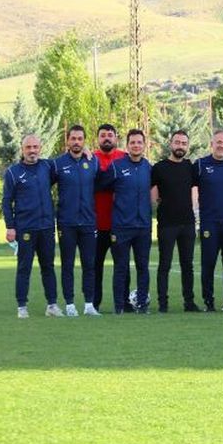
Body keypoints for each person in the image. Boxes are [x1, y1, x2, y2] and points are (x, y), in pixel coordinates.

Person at [97, 129, 153, 314]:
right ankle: (119, 306)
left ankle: (142, 304)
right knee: (121, 268)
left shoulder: (148, 167)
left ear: (144, 145)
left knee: (142, 267)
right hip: (121, 227)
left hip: (143, 226)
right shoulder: (116, 166)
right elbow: (98, 183)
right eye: (133, 142)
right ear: (127, 146)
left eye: (139, 142)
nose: (136, 145)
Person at [3, 135, 60, 319]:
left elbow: (68, 161)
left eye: (35, 147)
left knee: (48, 267)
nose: (32, 150)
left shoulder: (46, 167)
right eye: (28, 147)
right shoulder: (13, 172)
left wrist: (85, 150)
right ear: (22, 149)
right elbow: (6, 201)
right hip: (25, 228)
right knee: (24, 268)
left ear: (40, 148)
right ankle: (22, 307)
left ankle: (52, 305)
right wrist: (10, 227)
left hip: (46, 228)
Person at [52, 126, 100, 316]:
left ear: (84, 141)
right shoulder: (57, 164)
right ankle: (70, 304)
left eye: (80, 139)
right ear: (68, 141)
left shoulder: (92, 161)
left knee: (89, 264)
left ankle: (89, 305)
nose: (76, 142)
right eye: (73, 138)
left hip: (88, 222)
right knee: (68, 264)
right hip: (66, 222)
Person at [194, 129, 223, 312]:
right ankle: (208, 301)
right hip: (209, 223)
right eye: (219, 142)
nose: (222, 146)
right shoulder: (200, 165)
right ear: (211, 144)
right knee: (208, 263)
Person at [151, 130, 198, 312]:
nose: (180, 146)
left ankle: (189, 302)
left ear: (187, 146)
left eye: (184, 143)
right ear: (170, 144)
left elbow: (195, 188)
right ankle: (163, 304)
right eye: (177, 142)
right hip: (166, 224)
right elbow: (153, 191)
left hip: (187, 223)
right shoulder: (159, 167)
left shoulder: (189, 167)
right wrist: (156, 203)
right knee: (165, 265)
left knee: (188, 265)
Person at [92, 123, 128, 312]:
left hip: (120, 223)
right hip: (97, 223)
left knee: (122, 267)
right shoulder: (90, 158)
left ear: (116, 138)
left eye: (110, 135)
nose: (107, 138)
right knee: (95, 266)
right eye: (103, 135)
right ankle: (94, 304)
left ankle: (123, 303)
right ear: (98, 139)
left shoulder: (125, 158)